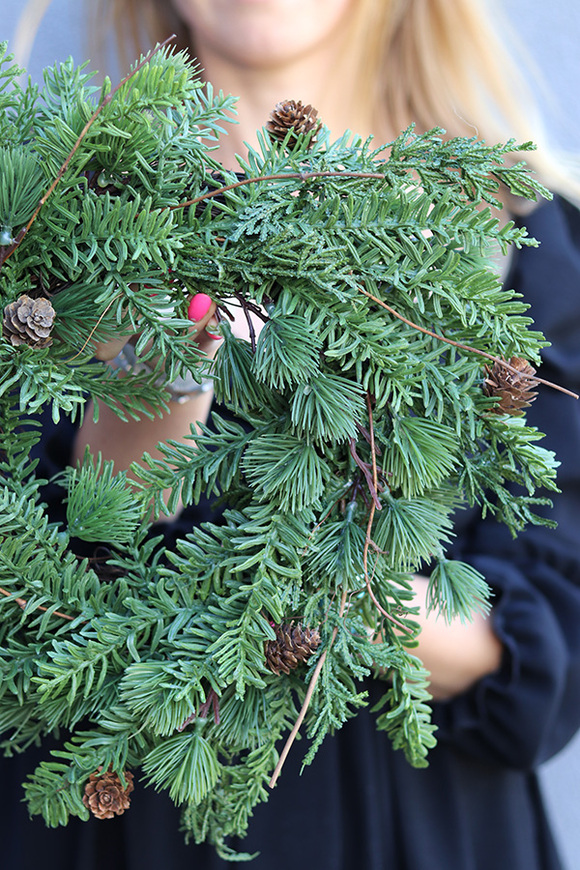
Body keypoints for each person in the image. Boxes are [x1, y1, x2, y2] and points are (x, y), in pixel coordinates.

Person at [2, 1, 580, 868]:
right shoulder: (52, 223)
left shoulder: (515, 233)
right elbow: (42, 580)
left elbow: (552, 655)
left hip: (416, 832)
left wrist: (319, 578)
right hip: (117, 830)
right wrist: (162, 378)